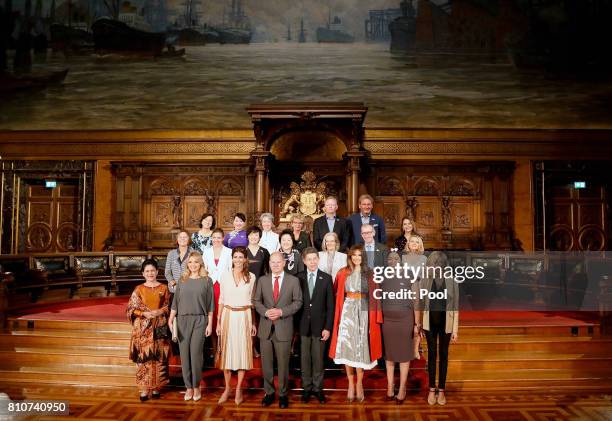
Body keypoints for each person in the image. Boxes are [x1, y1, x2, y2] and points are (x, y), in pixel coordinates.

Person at [328, 245, 383, 403]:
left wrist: (378, 317)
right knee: (347, 348)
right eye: (354, 255)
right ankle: (350, 384)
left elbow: (376, 295)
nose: (357, 258)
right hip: (347, 311)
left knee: (360, 347)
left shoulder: (370, 273)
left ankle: (359, 384)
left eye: (360, 255)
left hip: (364, 312)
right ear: (350, 257)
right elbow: (335, 293)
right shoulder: (342, 272)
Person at [253, 252, 303, 409]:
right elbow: (256, 300)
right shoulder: (262, 280)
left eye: (278, 262)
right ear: (269, 263)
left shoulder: (293, 281)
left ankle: (282, 394)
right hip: (265, 328)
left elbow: (298, 302)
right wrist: (265, 312)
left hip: (284, 327)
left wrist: (281, 312)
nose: (275, 265)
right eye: (272, 262)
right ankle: (268, 393)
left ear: (283, 263)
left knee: (283, 364)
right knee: (266, 364)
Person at [167, 252, 214, 402]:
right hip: (182, 320)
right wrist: (171, 318)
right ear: (187, 264)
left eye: (196, 262)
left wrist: (210, 324)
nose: (193, 265)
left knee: (195, 355)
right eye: (190, 262)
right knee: (185, 356)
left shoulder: (207, 280)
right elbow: (176, 303)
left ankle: (196, 386)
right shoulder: (182, 280)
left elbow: (210, 305)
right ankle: (188, 387)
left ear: (200, 263)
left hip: (200, 320)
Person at [216, 246, 257, 406]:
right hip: (228, 315)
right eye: (236, 257)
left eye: (241, 257)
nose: (238, 260)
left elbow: (252, 301)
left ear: (245, 259)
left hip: (244, 316)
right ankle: (227, 388)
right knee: (226, 353)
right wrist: (218, 322)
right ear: (232, 258)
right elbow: (221, 300)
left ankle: (238, 388)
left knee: (242, 353)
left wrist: (253, 322)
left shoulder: (252, 277)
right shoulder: (224, 275)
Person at [417, 251, 459, 406]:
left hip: (445, 325)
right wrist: (420, 324)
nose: (437, 266)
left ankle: (441, 390)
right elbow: (421, 304)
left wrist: (455, 329)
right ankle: (431, 389)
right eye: (434, 263)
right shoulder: (425, 281)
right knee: (432, 356)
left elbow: (455, 307)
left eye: (440, 263)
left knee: (444, 356)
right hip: (429, 325)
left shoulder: (452, 281)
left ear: (444, 264)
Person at [127, 259, 170, 401]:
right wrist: (143, 314)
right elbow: (131, 309)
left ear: (157, 272)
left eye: (152, 271)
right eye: (147, 271)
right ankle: (144, 390)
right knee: (143, 359)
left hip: (159, 329)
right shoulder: (138, 289)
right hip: (142, 331)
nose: (150, 273)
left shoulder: (164, 288)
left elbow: (169, 306)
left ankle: (157, 387)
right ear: (143, 273)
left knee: (159, 358)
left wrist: (159, 312)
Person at [297, 248, 335, 404]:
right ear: (304, 261)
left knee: (318, 359)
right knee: (305, 359)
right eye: (309, 259)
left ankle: (318, 389)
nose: (312, 262)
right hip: (303, 326)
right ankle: (306, 389)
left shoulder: (326, 278)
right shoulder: (298, 278)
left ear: (318, 260)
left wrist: (328, 327)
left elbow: (330, 306)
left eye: (314, 259)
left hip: (320, 327)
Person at [381, 250, 418, 404]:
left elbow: (416, 300)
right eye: (390, 258)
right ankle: (390, 386)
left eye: (396, 258)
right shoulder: (381, 275)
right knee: (389, 354)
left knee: (403, 354)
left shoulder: (409, 274)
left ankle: (402, 388)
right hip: (387, 320)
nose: (393, 260)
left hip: (405, 320)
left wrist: (417, 323)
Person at [203, 228, 232, 356]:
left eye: (219, 237)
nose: (216, 240)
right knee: (212, 316)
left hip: (224, 286)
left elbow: (231, 269)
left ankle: (224, 348)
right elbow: (203, 269)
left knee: (223, 316)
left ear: (223, 238)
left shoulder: (229, 252)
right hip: (210, 286)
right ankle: (215, 350)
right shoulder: (206, 251)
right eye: (214, 237)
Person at [165, 231, 191, 300]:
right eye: (180, 237)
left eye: (185, 237)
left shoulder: (194, 253)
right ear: (177, 239)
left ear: (188, 239)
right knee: (174, 310)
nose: (183, 239)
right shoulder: (171, 253)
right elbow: (167, 272)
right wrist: (173, 283)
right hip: (174, 289)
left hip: (189, 289)